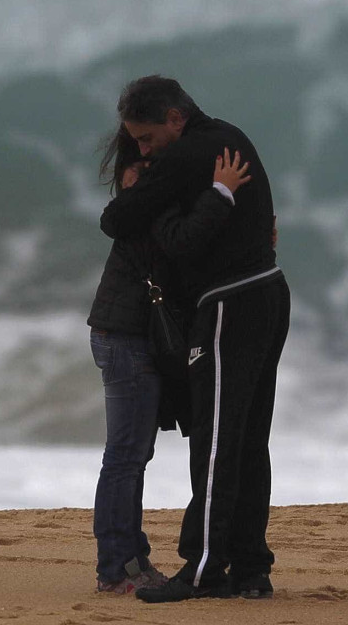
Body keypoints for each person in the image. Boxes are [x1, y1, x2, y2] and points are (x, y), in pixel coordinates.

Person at [98, 75, 290, 603]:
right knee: (248, 439)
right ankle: (251, 569)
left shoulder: (185, 157)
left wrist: (144, 191)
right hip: (270, 293)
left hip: (232, 301)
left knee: (215, 442)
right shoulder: (230, 137)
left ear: (175, 119)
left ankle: (203, 570)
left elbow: (115, 219)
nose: (144, 149)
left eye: (146, 137)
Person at [86, 127, 254, 596]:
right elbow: (181, 243)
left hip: (125, 335)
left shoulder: (142, 190)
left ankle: (127, 557)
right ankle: (117, 568)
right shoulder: (142, 192)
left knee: (131, 455)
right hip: (126, 337)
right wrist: (220, 193)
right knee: (125, 457)